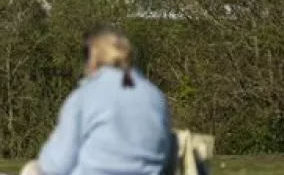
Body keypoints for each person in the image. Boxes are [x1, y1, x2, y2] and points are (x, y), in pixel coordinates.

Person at [22, 26, 173, 175]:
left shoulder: (84, 97)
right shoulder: (156, 97)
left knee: (32, 170)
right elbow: (166, 156)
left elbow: (56, 165)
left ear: (94, 58)